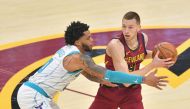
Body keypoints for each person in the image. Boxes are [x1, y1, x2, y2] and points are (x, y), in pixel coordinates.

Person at [17, 21, 169, 109]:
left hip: (40, 96)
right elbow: (110, 74)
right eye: (88, 38)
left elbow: (89, 74)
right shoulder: (78, 58)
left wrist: (101, 81)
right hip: (33, 96)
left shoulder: (71, 52)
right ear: (78, 42)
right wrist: (143, 79)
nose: (93, 41)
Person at [89, 11, 175, 109]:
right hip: (111, 90)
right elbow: (125, 80)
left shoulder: (143, 38)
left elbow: (141, 54)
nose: (126, 31)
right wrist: (153, 65)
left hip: (132, 92)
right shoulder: (116, 46)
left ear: (138, 28)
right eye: (124, 26)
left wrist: (161, 58)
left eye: (130, 27)